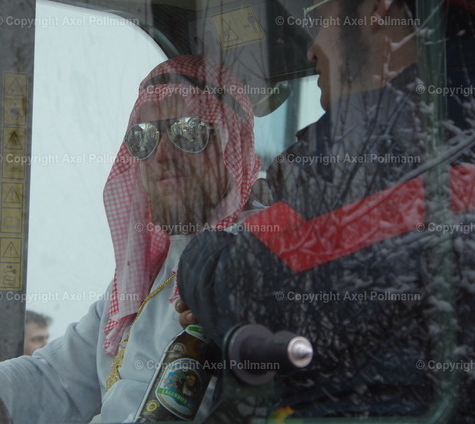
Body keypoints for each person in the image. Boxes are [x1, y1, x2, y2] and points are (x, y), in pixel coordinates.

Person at [0, 54, 261, 422]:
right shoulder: (147, 274)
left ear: (232, 143)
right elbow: (56, 380)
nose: (162, 154)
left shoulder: (257, 257)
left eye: (188, 131)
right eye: (144, 137)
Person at [177, 0, 475, 420]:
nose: (311, 48)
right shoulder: (426, 125)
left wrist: (203, 262)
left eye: (319, 16)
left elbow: (244, 288)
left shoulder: (394, 143)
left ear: (378, 7)